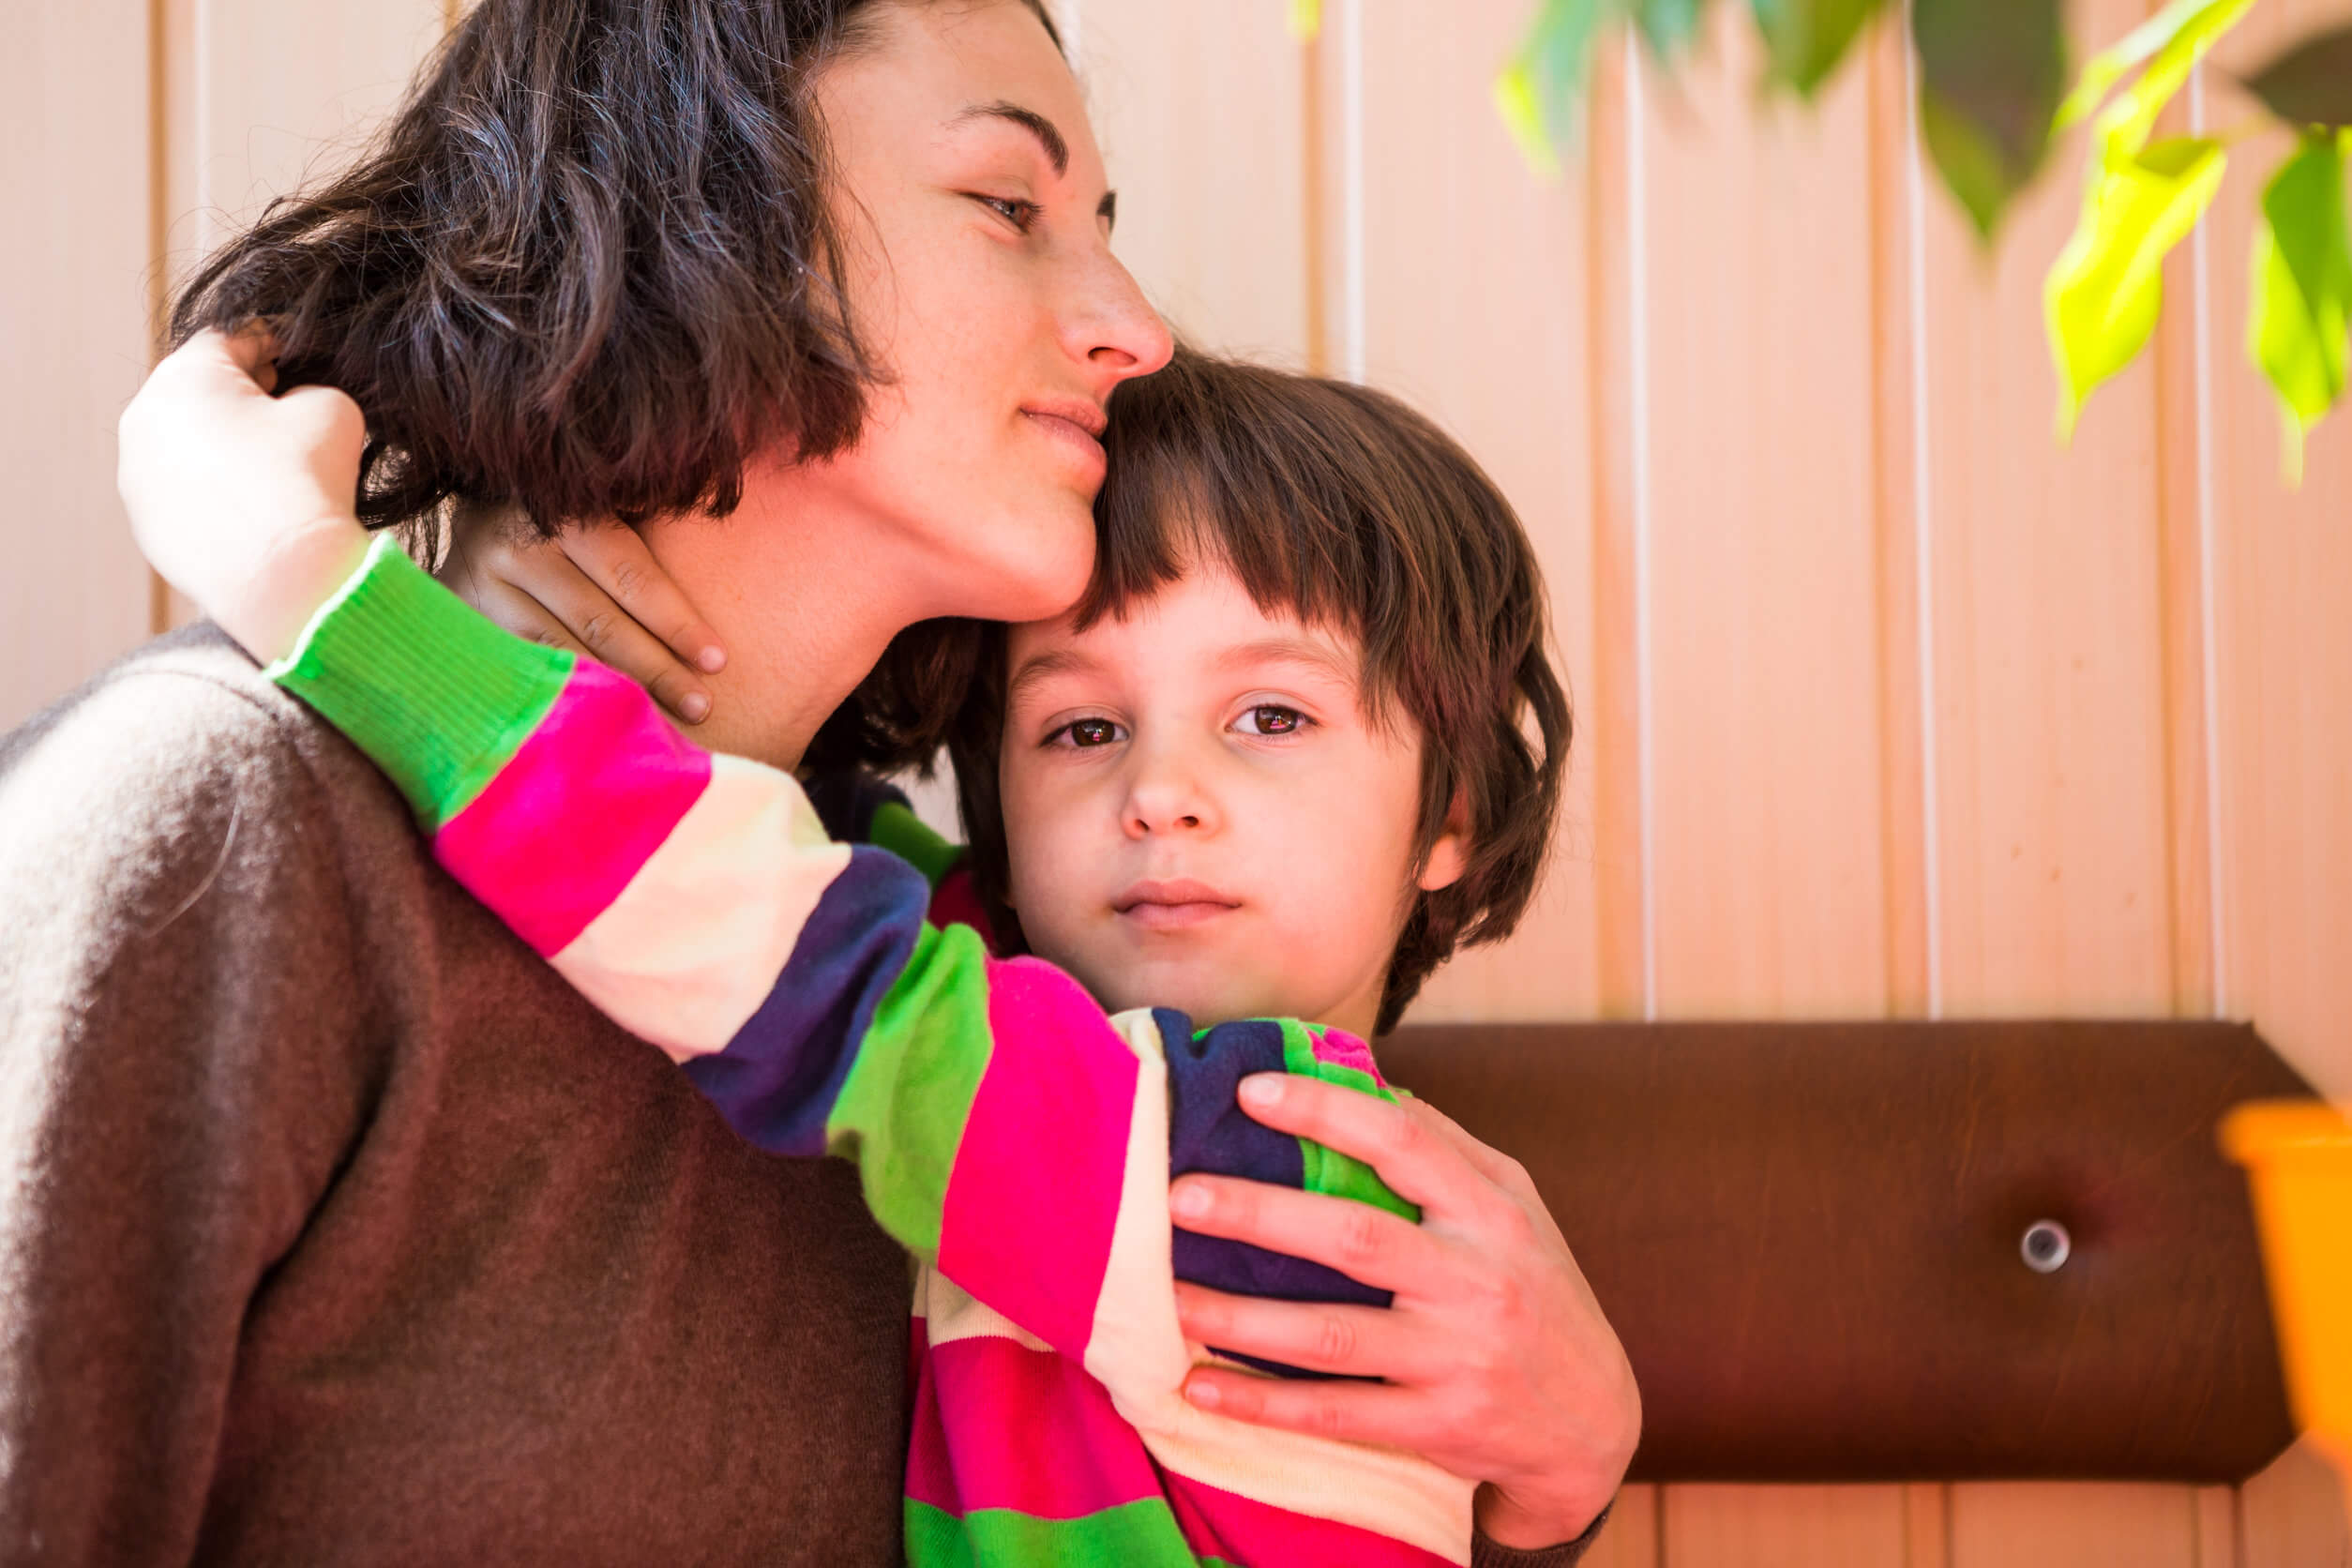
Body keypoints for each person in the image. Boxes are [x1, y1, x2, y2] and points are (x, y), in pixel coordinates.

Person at [4, 0, 1634, 1559]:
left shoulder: (1014, 1003)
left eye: (1270, 719)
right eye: (1010, 201)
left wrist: (1555, 1471)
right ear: (702, 210)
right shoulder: (222, 822)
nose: (1136, 330)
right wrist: (356, 600)